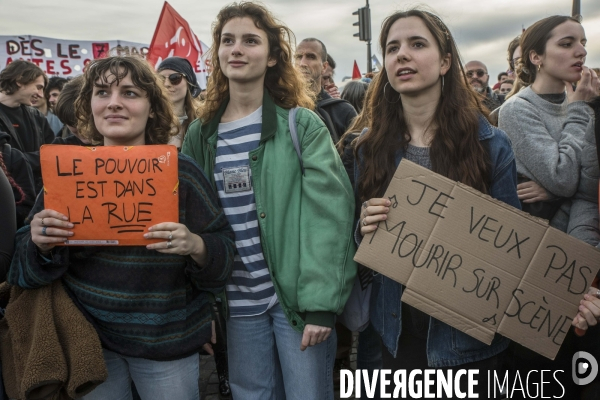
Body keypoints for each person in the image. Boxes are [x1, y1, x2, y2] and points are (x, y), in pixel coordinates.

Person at [7, 55, 236, 400]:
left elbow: (224, 254)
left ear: (152, 107)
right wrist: (38, 241)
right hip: (90, 344)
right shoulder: (69, 171)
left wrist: (195, 245)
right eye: (102, 92)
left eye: (129, 93)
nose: (113, 103)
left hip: (166, 346)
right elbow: (21, 269)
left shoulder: (181, 172)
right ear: (89, 106)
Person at [181, 3, 357, 399]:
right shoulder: (200, 134)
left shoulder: (301, 124)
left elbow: (330, 216)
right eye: (228, 41)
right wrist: (203, 308)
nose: (236, 49)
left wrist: (320, 304)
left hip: (296, 301)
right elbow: (193, 223)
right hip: (236, 304)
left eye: (250, 40)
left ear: (274, 55)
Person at [356, 9, 520, 398]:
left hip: (467, 343)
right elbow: (357, 248)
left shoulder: (490, 145)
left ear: (446, 61)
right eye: (392, 48)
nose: (402, 56)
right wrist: (363, 223)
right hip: (394, 333)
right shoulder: (368, 147)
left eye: (417, 44)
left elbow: (515, 253)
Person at [498, 15, 599, 398]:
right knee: (540, 379)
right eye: (567, 43)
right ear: (536, 57)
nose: (581, 51)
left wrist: (582, 265)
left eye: (583, 42)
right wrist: (578, 112)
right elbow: (563, 177)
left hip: (583, 259)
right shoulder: (517, 110)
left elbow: (587, 187)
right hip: (538, 270)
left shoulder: (588, 103)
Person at [0, 60, 55, 192]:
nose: (41, 95)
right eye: (38, 87)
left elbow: (53, 154)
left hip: (36, 194)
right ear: (20, 80)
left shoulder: (37, 117)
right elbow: (5, 161)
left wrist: (20, 159)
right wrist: (38, 158)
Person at [295, 38, 357, 143]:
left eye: (311, 57)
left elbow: (354, 156)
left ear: (324, 67)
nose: (302, 63)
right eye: (298, 57)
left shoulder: (343, 111)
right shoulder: (282, 106)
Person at [157, 57, 201, 149]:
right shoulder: (147, 120)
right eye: (161, 79)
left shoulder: (204, 121)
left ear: (188, 83)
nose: (166, 84)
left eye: (175, 78)